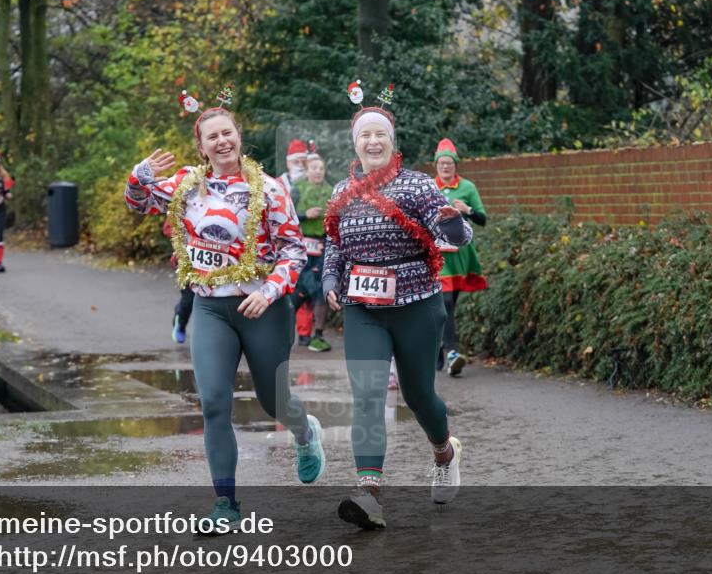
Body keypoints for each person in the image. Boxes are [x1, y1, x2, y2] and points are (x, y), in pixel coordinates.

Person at [124, 99, 325, 529]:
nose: (221, 142)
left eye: (227, 133)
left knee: (273, 401)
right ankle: (226, 505)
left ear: (238, 137)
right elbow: (138, 202)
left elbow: (293, 251)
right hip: (211, 308)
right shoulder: (185, 185)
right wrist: (139, 175)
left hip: (262, 309)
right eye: (211, 136)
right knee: (214, 403)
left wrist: (269, 291)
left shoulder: (269, 189)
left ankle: (305, 433)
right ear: (201, 146)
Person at [323, 91, 472, 530]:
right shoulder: (341, 191)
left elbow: (457, 235)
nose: (373, 141)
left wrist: (451, 221)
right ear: (355, 143)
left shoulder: (418, 185)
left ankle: (444, 451)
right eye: (364, 135)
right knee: (368, 394)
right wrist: (329, 281)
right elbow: (335, 244)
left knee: (418, 395)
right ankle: (368, 493)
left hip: (416, 305)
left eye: (380, 134)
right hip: (362, 308)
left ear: (392, 141)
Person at [433, 138, 488, 376]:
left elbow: (482, 219)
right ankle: (452, 352)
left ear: (455, 165)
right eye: (441, 163)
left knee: (449, 304)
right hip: (436, 254)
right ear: (436, 166)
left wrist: (468, 210)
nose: (445, 167)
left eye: (449, 163)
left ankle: (438, 346)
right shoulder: (429, 187)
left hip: (460, 254)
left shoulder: (467, 187)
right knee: (444, 302)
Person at [293, 142, 333, 352]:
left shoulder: (331, 191)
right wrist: (304, 215)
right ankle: (279, 330)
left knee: (320, 292)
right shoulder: (297, 189)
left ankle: (318, 336)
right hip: (300, 246)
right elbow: (286, 215)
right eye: (314, 168)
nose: (318, 172)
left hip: (322, 247)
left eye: (321, 168)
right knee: (298, 291)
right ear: (307, 169)